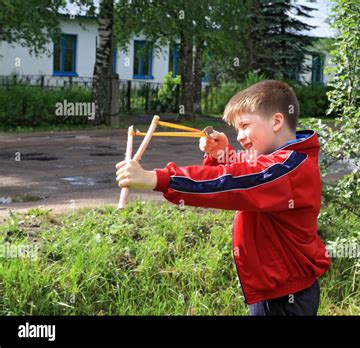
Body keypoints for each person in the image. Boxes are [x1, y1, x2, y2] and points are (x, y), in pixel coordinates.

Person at [115, 80, 330, 315]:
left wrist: (159, 179)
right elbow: (252, 172)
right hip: (276, 289)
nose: (239, 136)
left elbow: (238, 181)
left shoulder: (290, 169)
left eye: (245, 125)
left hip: (286, 299)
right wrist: (222, 154)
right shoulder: (284, 161)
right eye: (236, 129)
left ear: (277, 121)